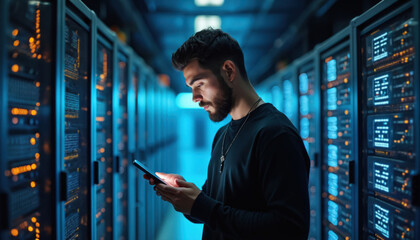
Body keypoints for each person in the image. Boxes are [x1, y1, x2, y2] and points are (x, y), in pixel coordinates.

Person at [145, 28, 310, 239]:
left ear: (229, 71)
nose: (195, 97)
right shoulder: (222, 135)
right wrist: (184, 195)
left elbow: (290, 229)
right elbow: (213, 204)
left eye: (199, 84)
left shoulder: (275, 134)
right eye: (191, 88)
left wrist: (203, 207)